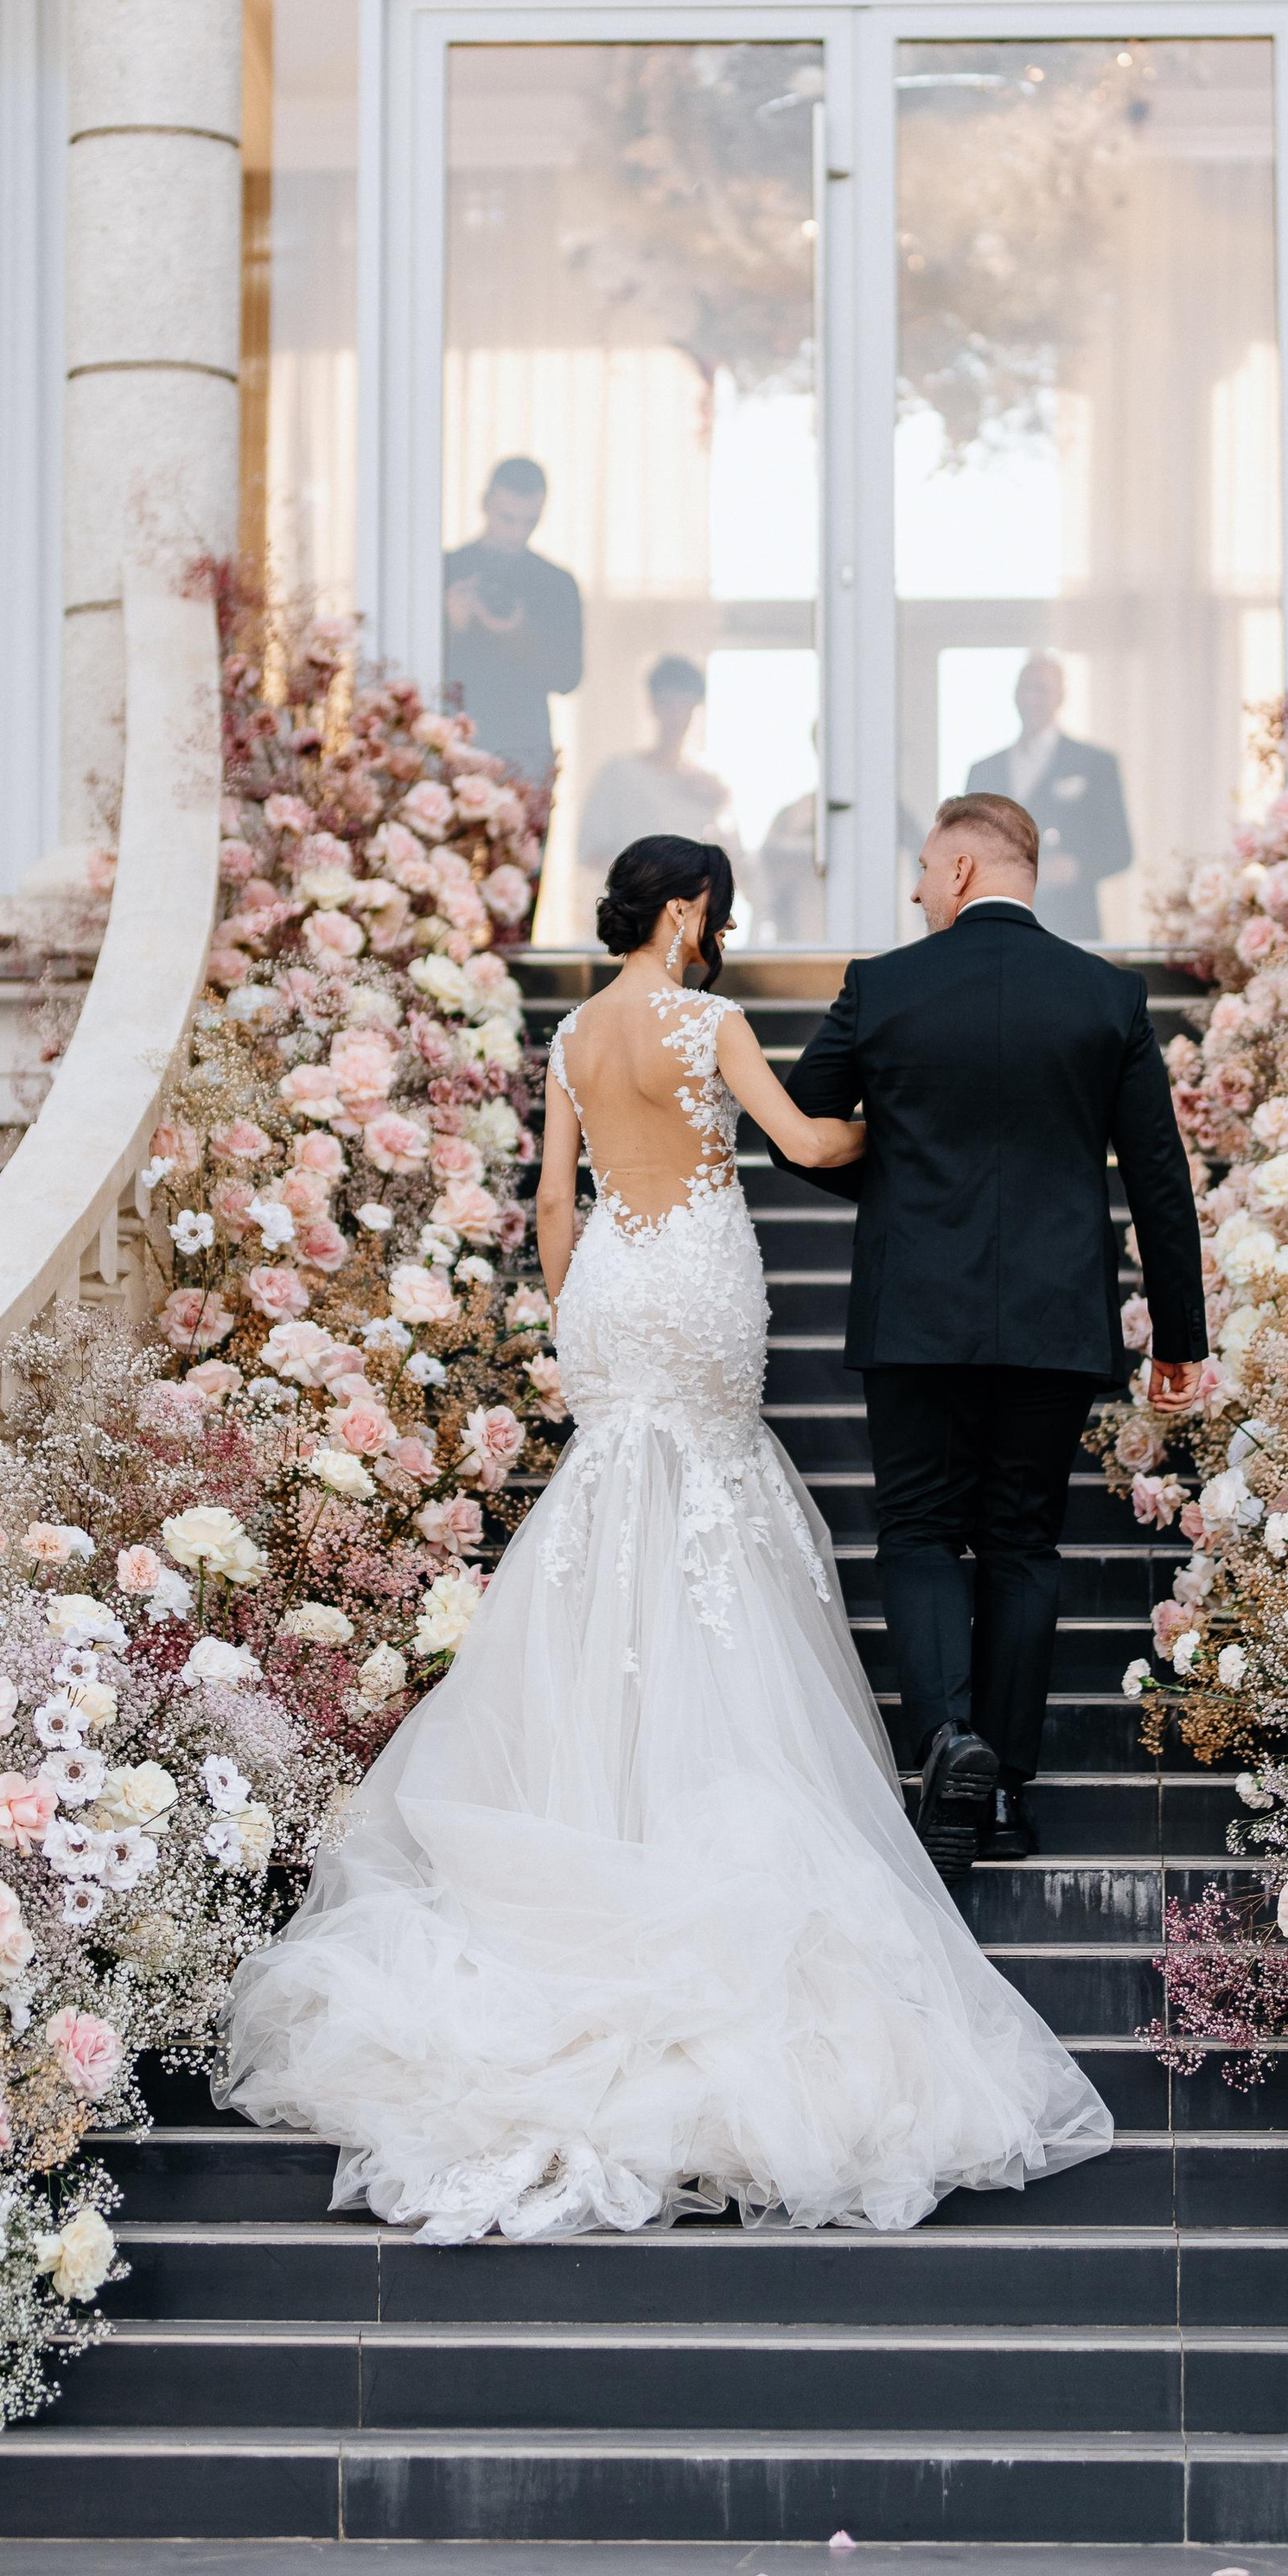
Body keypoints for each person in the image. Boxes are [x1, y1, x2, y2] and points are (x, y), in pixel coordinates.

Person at [217, 834, 1113, 2240]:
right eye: (716, 911)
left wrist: (580, 1318)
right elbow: (810, 1139)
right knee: (717, 1491)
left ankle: (594, 1763)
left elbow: (555, 1201)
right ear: (690, 912)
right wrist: (927, 1123)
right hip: (698, 1276)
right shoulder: (711, 1020)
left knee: (616, 1492)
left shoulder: (576, 1028)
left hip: (619, 1287)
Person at [784, 789, 1206, 1876]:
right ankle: (1008, 1791)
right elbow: (1159, 1181)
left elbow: (800, 1127)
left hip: (915, 1308)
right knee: (1021, 1539)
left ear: (963, 873)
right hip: (1056, 1315)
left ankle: (946, 1740)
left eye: (924, 868)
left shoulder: (884, 987)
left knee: (922, 1529)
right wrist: (1179, 1339)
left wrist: (907, 1182)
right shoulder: (1107, 997)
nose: (917, 888)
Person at [966, 651, 1132, 943]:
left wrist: (1075, 868)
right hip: (1001, 925)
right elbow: (968, 847)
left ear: (1061, 697)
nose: (1031, 699)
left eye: (1041, 689)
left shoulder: (1095, 764)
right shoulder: (984, 771)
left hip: (1072, 926)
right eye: (1025, 689)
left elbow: (1120, 849)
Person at [442, 457, 583, 791]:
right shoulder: (447, 571)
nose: (516, 533)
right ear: (484, 504)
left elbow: (568, 677)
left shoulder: (555, 584)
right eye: (507, 519)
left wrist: (517, 632)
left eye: (528, 522)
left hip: (525, 749)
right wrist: (452, 625)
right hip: (455, 740)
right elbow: (416, 672)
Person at [575, 654, 741, 882]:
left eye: (685, 706)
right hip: (633, 909)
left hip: (689, 912)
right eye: (668, 704)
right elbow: (589, 852)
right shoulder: (620, 775)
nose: (676, 716)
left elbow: (734, 866)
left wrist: (721, 805)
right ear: (653, 704)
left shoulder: (707, 787)